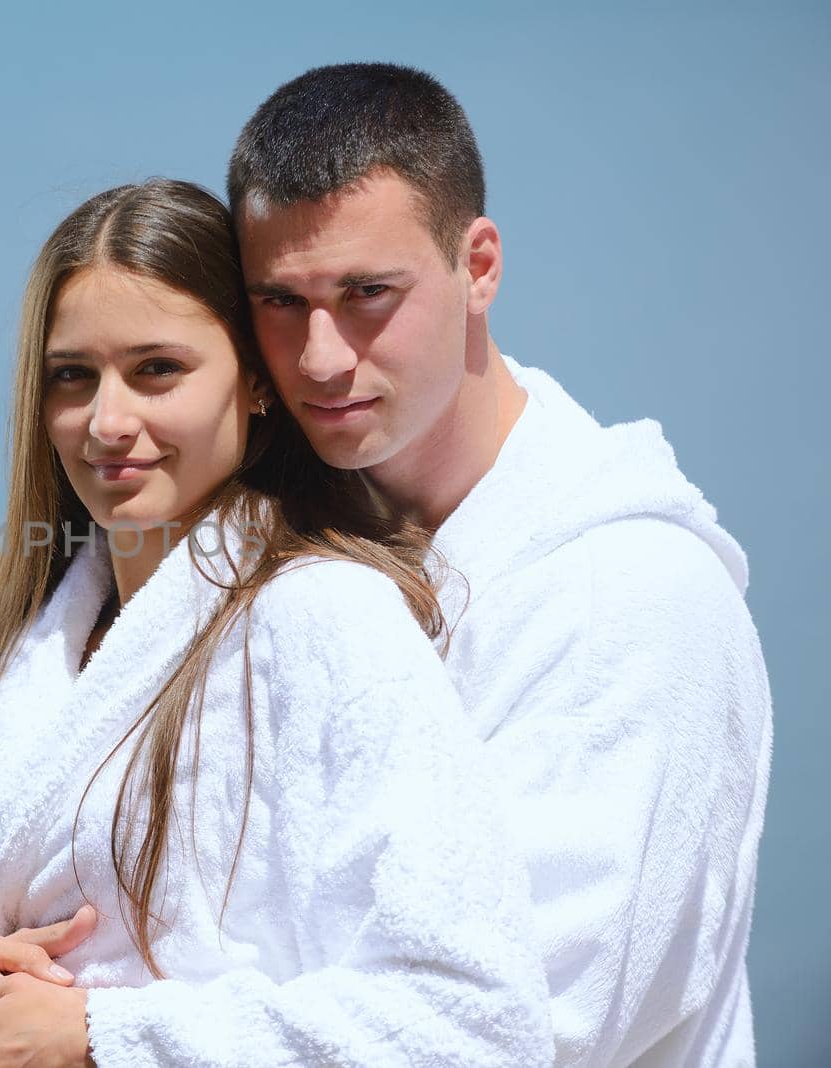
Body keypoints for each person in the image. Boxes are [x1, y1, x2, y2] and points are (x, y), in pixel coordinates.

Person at [0, 179, 553, 1067]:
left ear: (259, 385)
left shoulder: (328, 622)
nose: (109, 423)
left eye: (158, 370)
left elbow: (471, 1016)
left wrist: (105, 1038)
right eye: (72, 377)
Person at [227, 63, 773, 1066]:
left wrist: (107, 1035)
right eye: (279, 300)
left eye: (366, 294)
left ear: (478, 265)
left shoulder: (637, 601)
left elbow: (511, 1023)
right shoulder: (261, 563)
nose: (317, 357)